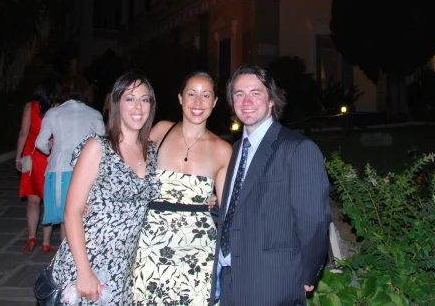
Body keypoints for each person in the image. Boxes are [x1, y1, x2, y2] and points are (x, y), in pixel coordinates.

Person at [209, 65, 331, 306]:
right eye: (239, 94)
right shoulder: (232, 152)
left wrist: (308, 272)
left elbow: (314, 219)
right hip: (231, 283)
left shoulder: (297, 149)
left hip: (274, 284)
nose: (246, 101)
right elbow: (237, 208)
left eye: (255, 92)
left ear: (272, 100)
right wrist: (211, 206)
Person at [49, 71, 161, 305]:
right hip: (89, 259)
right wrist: (84, 271)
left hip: (125, 266)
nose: (138, 106)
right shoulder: (98, 147)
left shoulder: (151, 151)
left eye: (144, 99)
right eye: (130, 98)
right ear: (116, 103)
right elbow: (71, 211)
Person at [132, 72, 233, 305]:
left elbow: (229, 210)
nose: (198, 103)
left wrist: (216, 197)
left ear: (215, 102)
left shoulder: (222, 149)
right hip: (150, 246)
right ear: (180, 98)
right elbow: (129, 171)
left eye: (205, 95)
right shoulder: (160, 131)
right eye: (191, 94)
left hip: (198, 252)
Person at [35, 75, 104, 252]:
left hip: (58, 170)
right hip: (85, 171)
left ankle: (65, 259)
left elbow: (39, 143)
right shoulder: (93, 114)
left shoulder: (53, 113)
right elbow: (103, 143)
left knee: (66, 217)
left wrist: (52, 149)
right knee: (82, 217)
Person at [15, 78, 61, 253]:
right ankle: (46, 242)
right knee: (48, 199)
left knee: (32, 200)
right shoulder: (58, 108)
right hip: (49, 156)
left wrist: (18, 157)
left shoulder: (30, 107)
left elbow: (23, 133)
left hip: (32, 156)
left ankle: (31, 237)